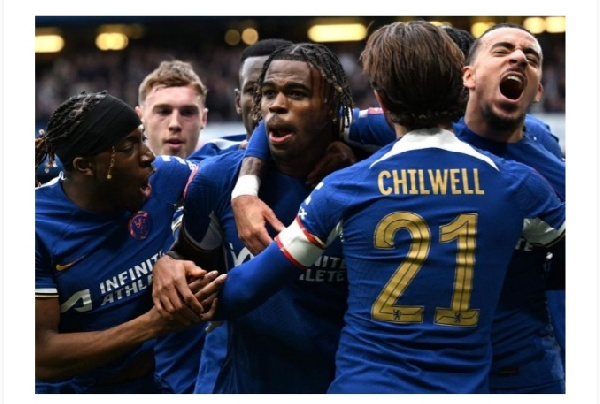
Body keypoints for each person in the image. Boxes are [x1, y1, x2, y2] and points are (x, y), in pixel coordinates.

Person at [191, 20, 566, 393]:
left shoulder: (343, 188)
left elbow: (251, 285)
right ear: (461, 86)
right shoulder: (520, 184)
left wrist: (186, 295)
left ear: (382, 100)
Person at [152, 42, 354, 393]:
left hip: (334, 383)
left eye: (296, 93)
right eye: (267, 93)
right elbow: (190, 260)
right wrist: (167, 265)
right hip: (241, 383)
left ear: (329, 107)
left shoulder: (364, 182)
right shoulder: (215, 180)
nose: (277, 104)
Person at [34, 90, 224, 393]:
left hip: (152, 383)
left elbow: (225, 173)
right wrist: (154, 324)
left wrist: (173, 254)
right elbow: (40, 356)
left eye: (142, 140)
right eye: (128, 147)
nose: (148, 156)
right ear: (85, 166)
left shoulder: (163, 176)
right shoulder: (36, 229)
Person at [456, 22, 566, 393]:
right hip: (435, 362)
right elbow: (326, 121)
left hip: (526, 366)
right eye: (502, 51)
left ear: (537, 91)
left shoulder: (554, 170)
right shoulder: (418, 135)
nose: (519, 57)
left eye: (530, 57)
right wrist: (261, 187)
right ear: (468, 76)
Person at [136, 59, 209, 160]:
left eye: (187, 113)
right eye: (163, 112)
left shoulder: (227, 173)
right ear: (140, 117)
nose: (175, 124)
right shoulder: (115, 173)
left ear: (204, 119)